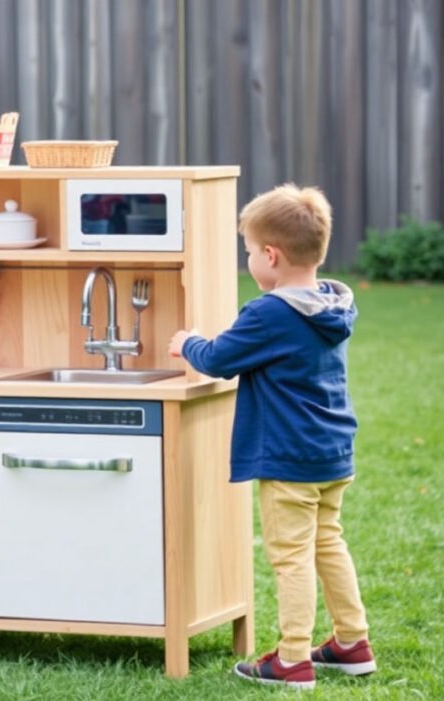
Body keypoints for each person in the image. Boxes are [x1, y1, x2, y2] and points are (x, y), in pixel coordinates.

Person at [168, 184, 375, 690]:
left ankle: (293, 659)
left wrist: (186, 343)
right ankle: (352, 641)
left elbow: (218, 359)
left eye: (248, 251)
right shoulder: (330, 303)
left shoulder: (269, 312)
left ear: (271, 254)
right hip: (332, 451)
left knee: (290, 557)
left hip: (288, 457)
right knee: (328, 542)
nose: (248, 261)